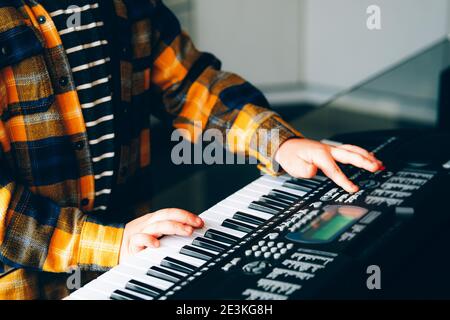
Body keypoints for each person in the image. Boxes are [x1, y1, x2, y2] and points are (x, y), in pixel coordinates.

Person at [0, 0, 382, 299]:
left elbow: (191, 86)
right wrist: (108, 242)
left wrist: (280, 142)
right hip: (29, 283)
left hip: (132, 260)